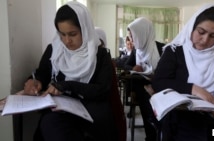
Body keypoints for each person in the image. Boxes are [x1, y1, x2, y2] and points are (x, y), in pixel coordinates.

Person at [151, 3, 214, 141]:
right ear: (192, 27)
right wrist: (193, 89)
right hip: (183, 123)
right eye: (201, 32)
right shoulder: (175, 51)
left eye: (213, 35)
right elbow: (159, 82)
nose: (205, 40)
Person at [23, 1, 117, 141]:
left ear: (84, 29)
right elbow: (42, 73)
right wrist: (34, 81)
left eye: (72, 34)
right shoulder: (54, 50)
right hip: (59, 113)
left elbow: (102, 90)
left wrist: (67, 85)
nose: (67, 41)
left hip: (91, 116)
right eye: (62, 34)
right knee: (50, 124)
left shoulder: (100, 55)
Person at [124, 17, 163, 141]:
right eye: (130, 36)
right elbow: (125, 64)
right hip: (142, 88)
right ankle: (151, 136)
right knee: (147, 103)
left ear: (142, 33)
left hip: (159, 86)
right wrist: (134, 67)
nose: (131, 40)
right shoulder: (136, 51)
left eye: (133, 36)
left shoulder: (161, 48)